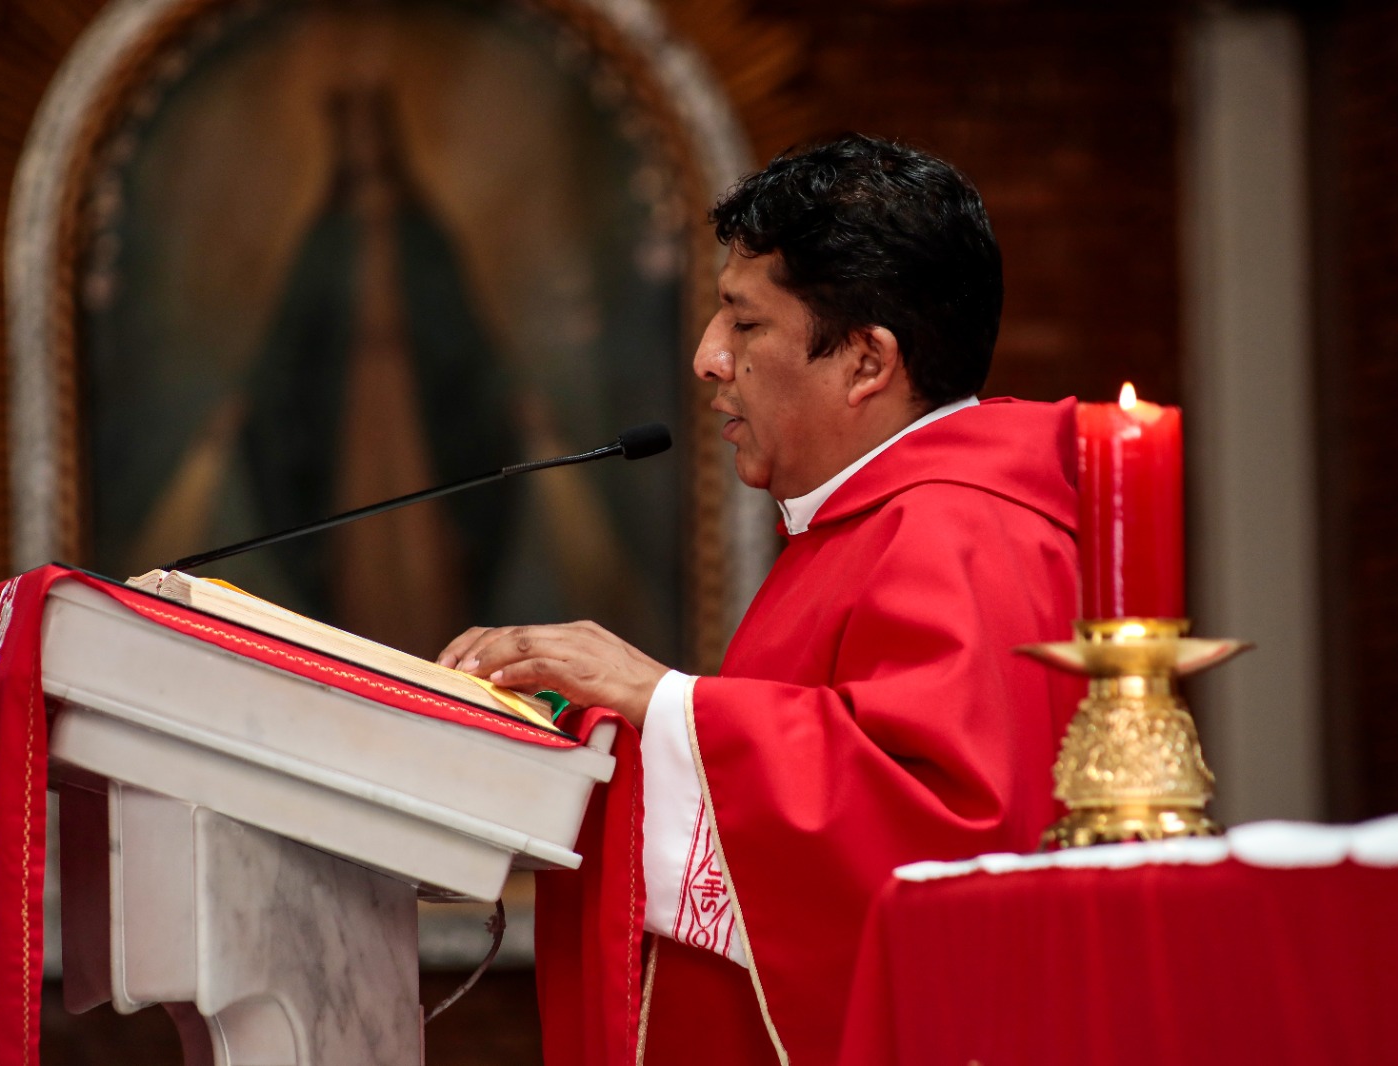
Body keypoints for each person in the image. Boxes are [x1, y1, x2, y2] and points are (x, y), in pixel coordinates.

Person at [438, 134, 1080, 1066]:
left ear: (866, 362)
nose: (707, 357)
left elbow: (945, 844)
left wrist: (662, 702)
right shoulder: (871, 522)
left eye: (744, 323)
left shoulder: (961, 530)